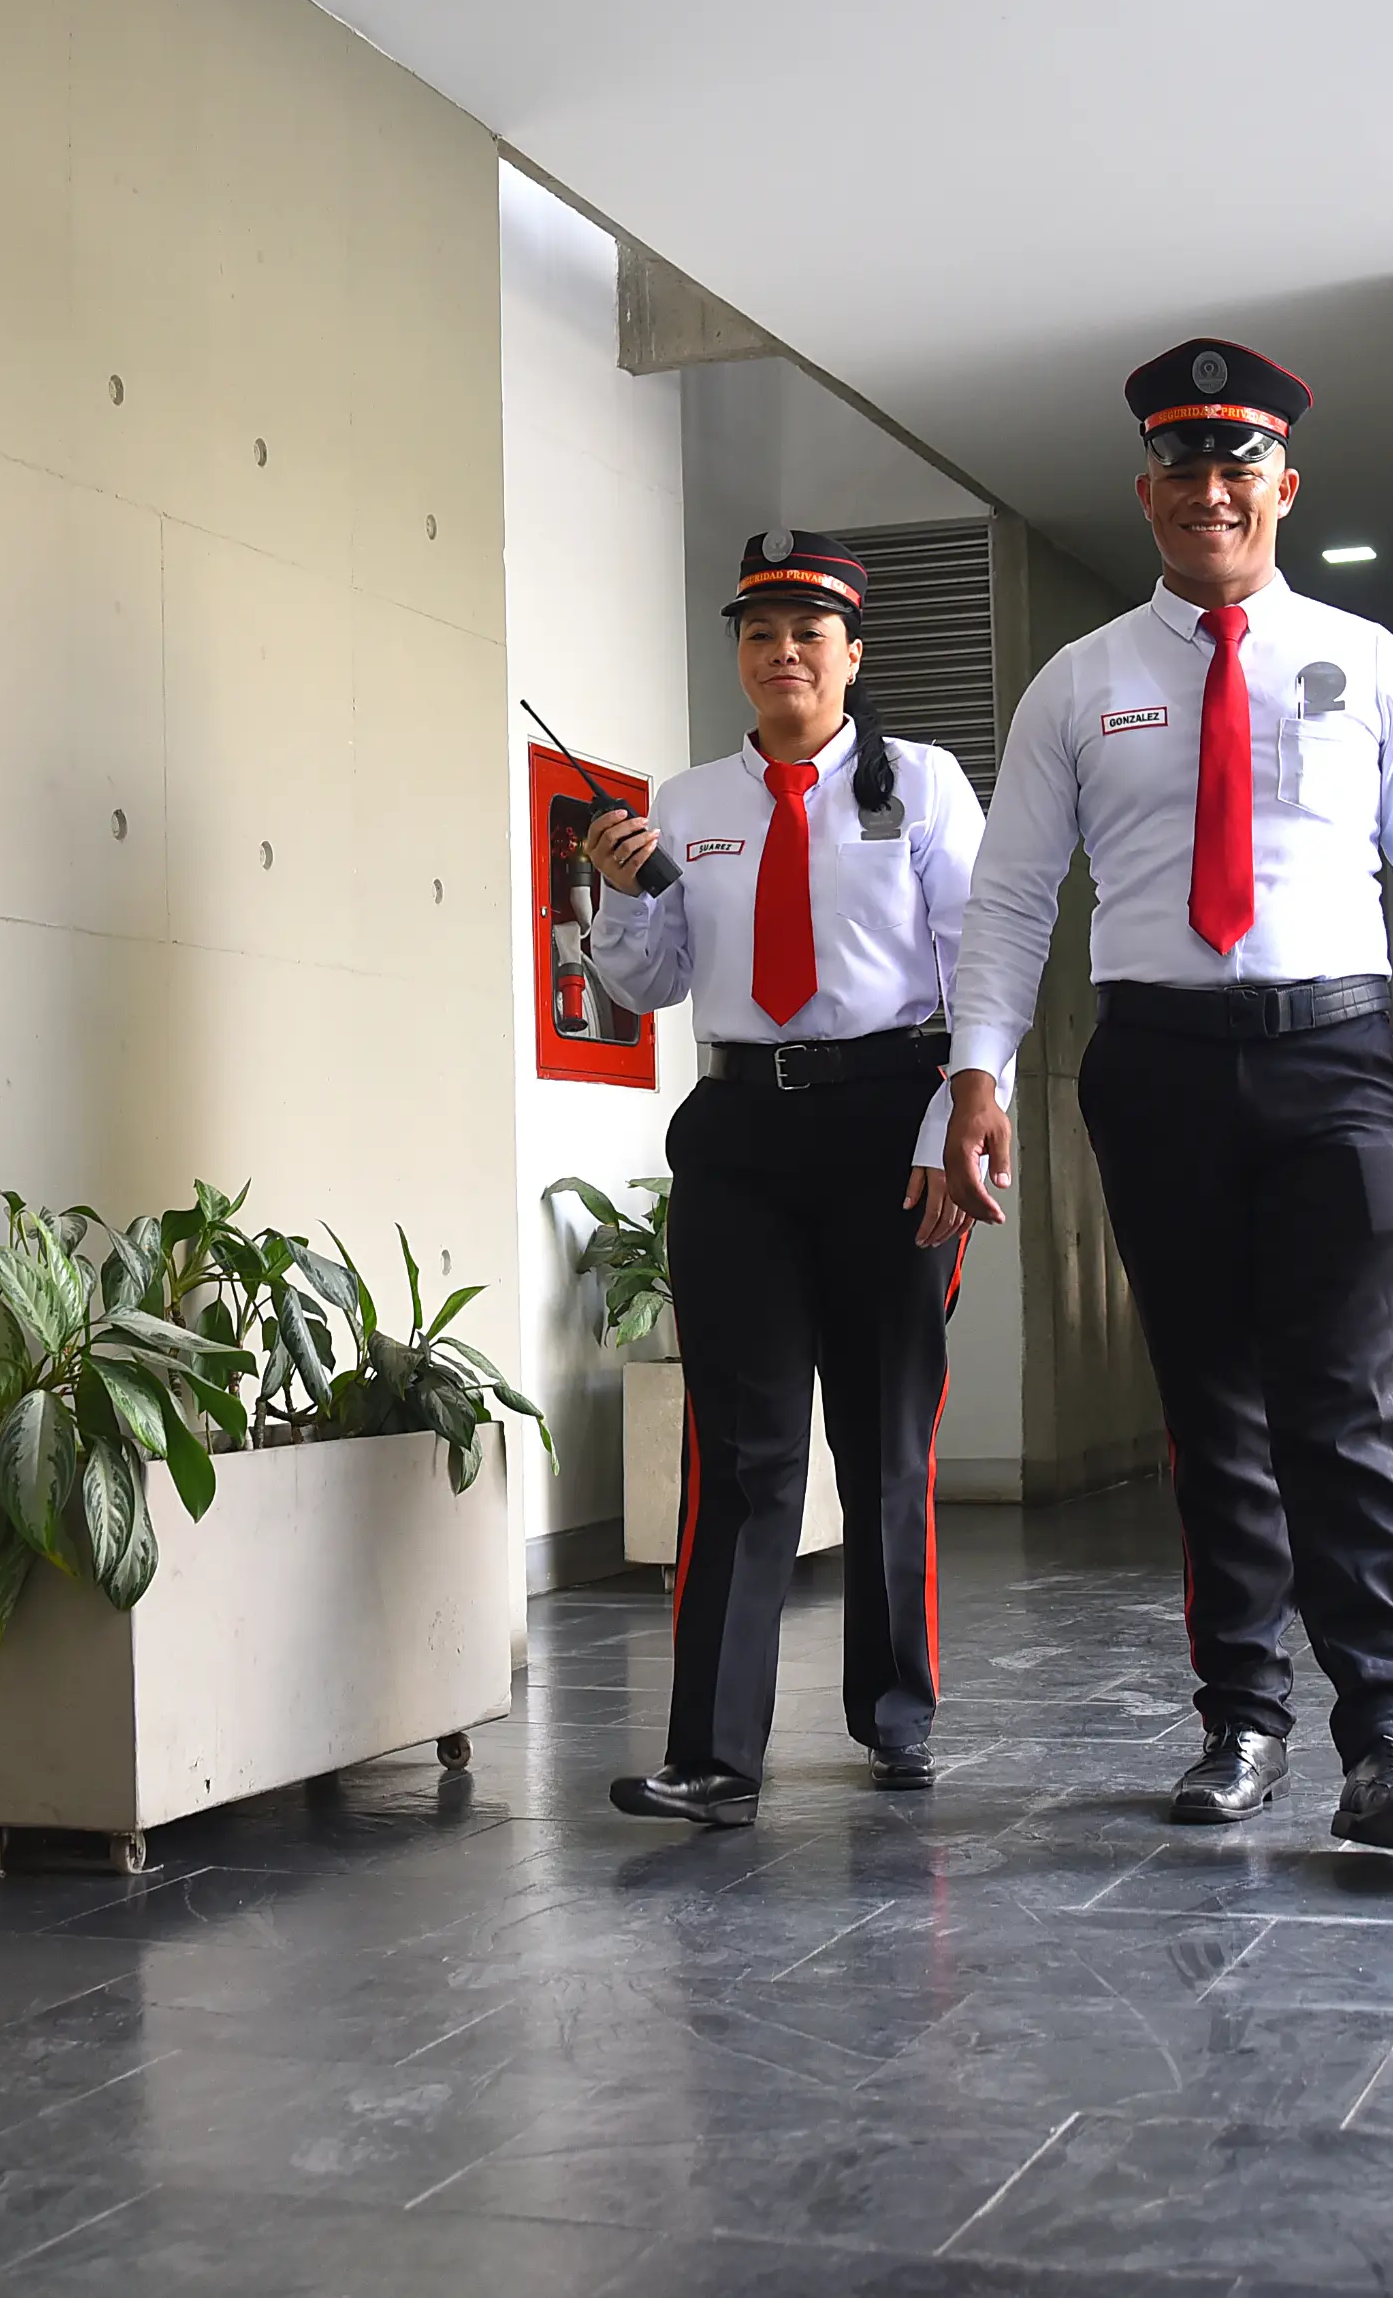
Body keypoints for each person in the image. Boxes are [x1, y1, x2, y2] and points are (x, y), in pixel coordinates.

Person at [938, 340, 1393, 1853]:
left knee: (1342, 1409)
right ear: (1146, 493)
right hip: (1160, 1070)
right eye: (1182, 465)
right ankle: (1242, 1714)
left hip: (1335, 1062)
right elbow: (1007, 901)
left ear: (1284, 487)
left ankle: (1389, 1735)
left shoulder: (1368, 662)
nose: (1210, 489)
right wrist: (974, 1078)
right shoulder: (1084, 682)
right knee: (1213, 1412)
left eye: (1238, 462)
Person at [582, 531, 994, 1828]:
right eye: (760, 633)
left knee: (884, 1437)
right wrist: (630, 897)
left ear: (854, 653)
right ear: (740, 656)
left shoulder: (919, 784)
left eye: (810, 632)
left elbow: (979, 963)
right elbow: (651, 985)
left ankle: (895, 1712)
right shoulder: (689, 803)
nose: (784, 654)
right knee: (743, 1450)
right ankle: (713, 1752)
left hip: (893, 1123)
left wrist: (948, 1134)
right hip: (744, 1131)